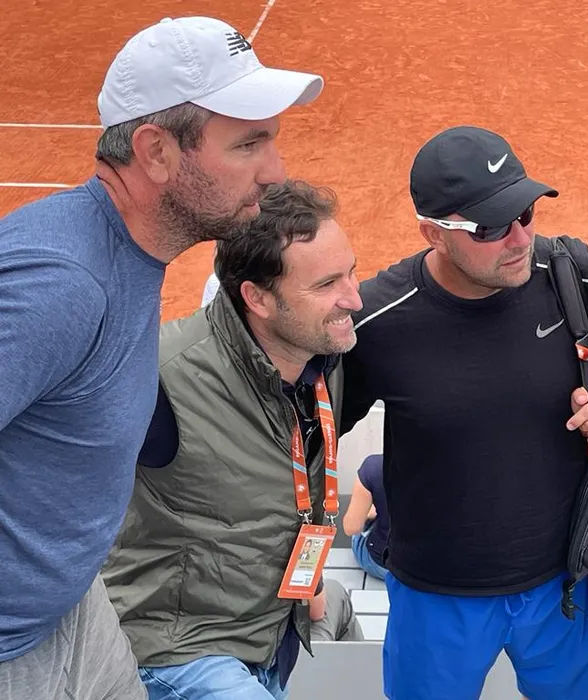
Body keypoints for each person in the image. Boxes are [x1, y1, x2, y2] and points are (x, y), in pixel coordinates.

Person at [0, 15, 323, 700]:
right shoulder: (61, 284)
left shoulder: (125, 253)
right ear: (155, 152)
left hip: (74, 609)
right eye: (249, 143)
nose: (275, 171)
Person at [340, 125, 588, 700]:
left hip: (562, 585)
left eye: (525, 214)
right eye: (491, 227)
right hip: (435, 599)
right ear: (433, 233)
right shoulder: (376, 321)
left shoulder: (571, 275)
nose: (520, 238)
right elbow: (313, 433)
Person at [102, 180, 365, 700]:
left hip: (270, 642)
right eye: (327, 284)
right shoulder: (156, 376)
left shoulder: (323, 357)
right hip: (177, 652)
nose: (354, 298)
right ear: (257, 298)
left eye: (352, 271)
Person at [343, 453, 391, 580]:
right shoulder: (442, 465)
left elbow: (351, 528)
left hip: (384, 565)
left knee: (360, 525)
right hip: (435, 567)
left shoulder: (374, 467)